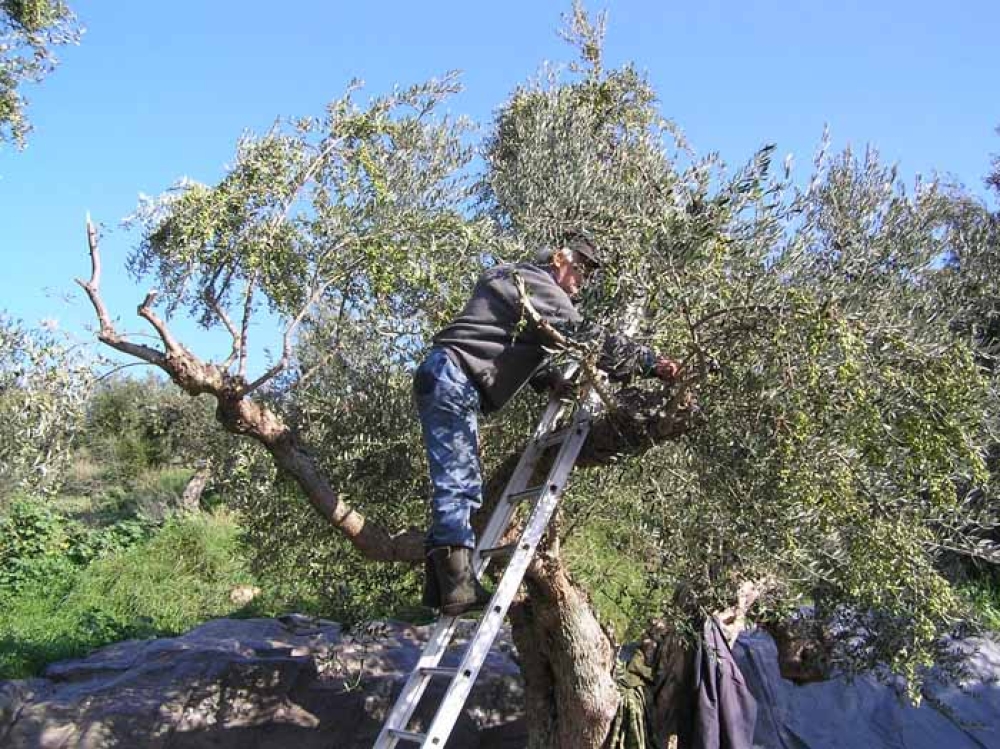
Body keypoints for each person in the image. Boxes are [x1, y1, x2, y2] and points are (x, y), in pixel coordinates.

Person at [413, 233, 679, 616]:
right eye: (580, 271)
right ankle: (456, 586)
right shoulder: (533, 284)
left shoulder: (512, 282)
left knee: (458, 479)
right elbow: (586, 337)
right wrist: (651, 362)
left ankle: (443, 590)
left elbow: (505, 339)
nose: (581, 283)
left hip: (447, 375)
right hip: (453, 377)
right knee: (459, 482)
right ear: (559, 259)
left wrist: (548, 379)